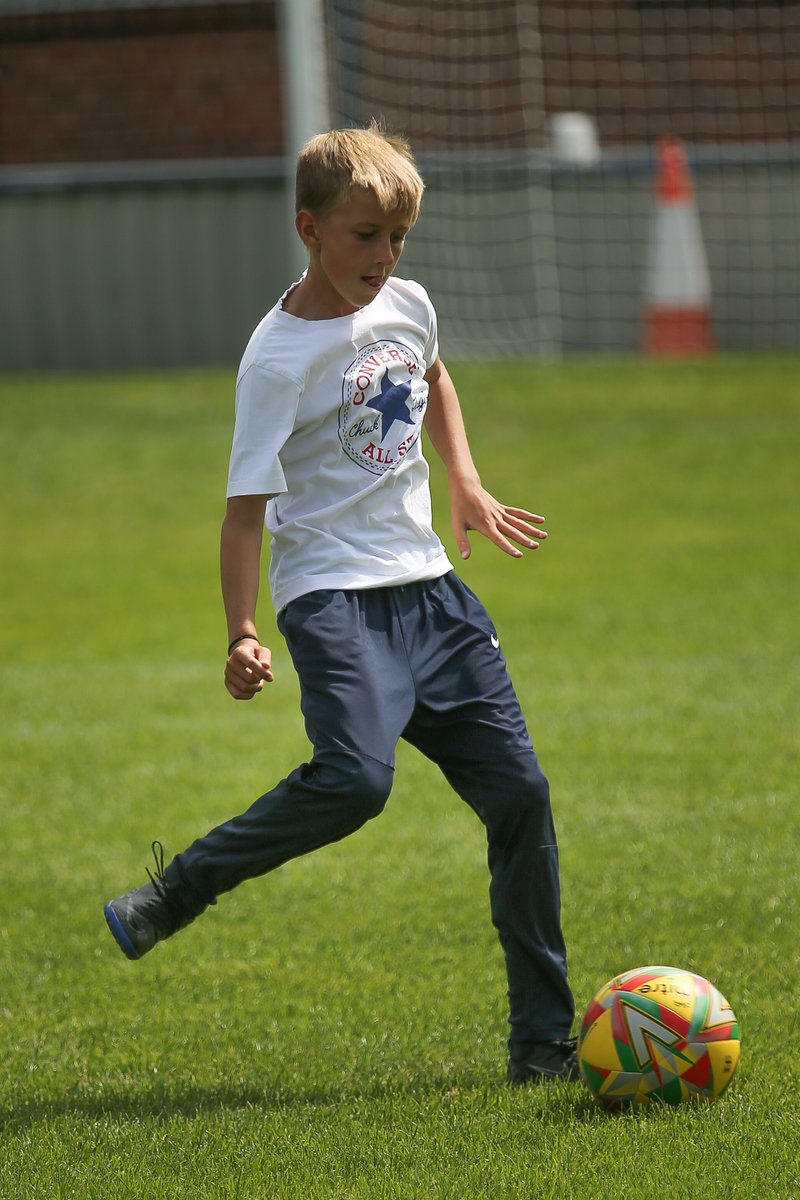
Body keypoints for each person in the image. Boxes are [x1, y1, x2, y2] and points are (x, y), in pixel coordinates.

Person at [104, 124, 578, 1085]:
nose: (385, 255)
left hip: (433, 593)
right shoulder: (277, 361)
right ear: (308, 229)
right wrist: (241, 632)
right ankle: (179, 890)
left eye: (398, 235)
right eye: (366, 235)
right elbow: (243, 518)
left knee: (521, 797)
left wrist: (467, 482)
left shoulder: (406, 303)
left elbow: (433, 378)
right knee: (357, 782)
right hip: (332, 599)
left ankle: (542, 1046)